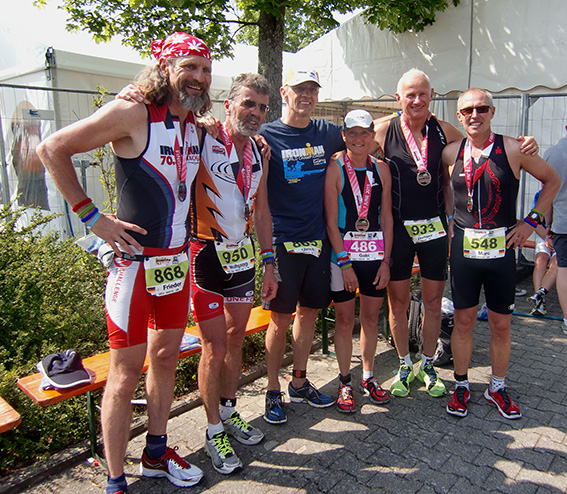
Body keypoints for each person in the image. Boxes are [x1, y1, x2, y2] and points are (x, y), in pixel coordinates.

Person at [37, 32, 213, 493]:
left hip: (175, 264)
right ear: (166, 69)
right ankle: (116, 479)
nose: (198, 76)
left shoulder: (196, 124)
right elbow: (51, 149)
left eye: (205, 69)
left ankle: (156, 453)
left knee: (166, 358)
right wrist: (93, 218)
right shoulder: (133, 112)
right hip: (133, 267)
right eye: (188, 66)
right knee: (125, 372)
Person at [373, 69, 539, 399]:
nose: (416, 100)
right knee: (398, 303)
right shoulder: (381, 130)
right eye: (410, 94)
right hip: (398, 231)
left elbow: (477, 146)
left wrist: (524, 144)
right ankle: (405, 364)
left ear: (432, 95)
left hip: (435, 231)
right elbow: (344, 145)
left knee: (434, 303)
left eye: (422, 93)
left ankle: (428, 364)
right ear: (398, 98)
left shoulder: (445, 131)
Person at [442, 88, 560, 419]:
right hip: (464, 251)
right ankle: (461, 385)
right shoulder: (450, 152)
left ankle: (497, 387)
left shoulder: (513, 148)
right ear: (459, 116)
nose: (474, 115)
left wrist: (530, 222)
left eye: (482, 108)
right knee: (463, 321)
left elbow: (552, 180)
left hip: (502, 251)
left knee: (501, 325)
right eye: (467, 110)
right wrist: (449, 219)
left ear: (492, 112)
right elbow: (441, 187)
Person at [189, 73, 278, 474]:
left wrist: (269, 263)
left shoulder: (260, 151)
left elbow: (262, 210)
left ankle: (228, 411)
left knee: (236, 339)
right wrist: (198, 119)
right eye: (248, 103)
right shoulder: (202, 136)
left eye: (262, 106)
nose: (256, 112)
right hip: (204, 254)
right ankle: (212, 431)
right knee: (214, 347)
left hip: (242, 258)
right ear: (228, 105)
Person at [259, 69, 346, 424]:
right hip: (283, 241)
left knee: (309, 313)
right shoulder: (266, 135)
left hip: (318, 240)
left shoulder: (326, 132)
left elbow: (372, 133)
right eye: (299, 89)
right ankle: (272, 391)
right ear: (284, 92)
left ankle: (298, 382)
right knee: (280, 319)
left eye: (312, 89)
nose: (306, 95)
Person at [324, 109, 393, 412]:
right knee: (344, 321)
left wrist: (386, 261)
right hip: (342, 257)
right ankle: (344, 382)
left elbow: (386, 218)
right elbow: (330, 221)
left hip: (374, 256)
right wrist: (345, 263)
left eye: (364, 132)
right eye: (352, 132)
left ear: (373, 136)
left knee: (370, 319)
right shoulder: (335, 168)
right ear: (344, 136)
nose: (358, 138)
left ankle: (368, 376)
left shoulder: (382, 170)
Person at [543, 125, 567, 334]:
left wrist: (548, 224)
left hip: (562, 222)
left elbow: (548, 194)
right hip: (561, 221)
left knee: (564, 270)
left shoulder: (552, 153)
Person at [527, 192, 556, 316]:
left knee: (557, 262)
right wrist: (547, 238)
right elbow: (534, 221)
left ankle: (540, 294)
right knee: (541, 260)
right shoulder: (540, 195)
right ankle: (539, 302)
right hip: (546, 235)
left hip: (561, 236)